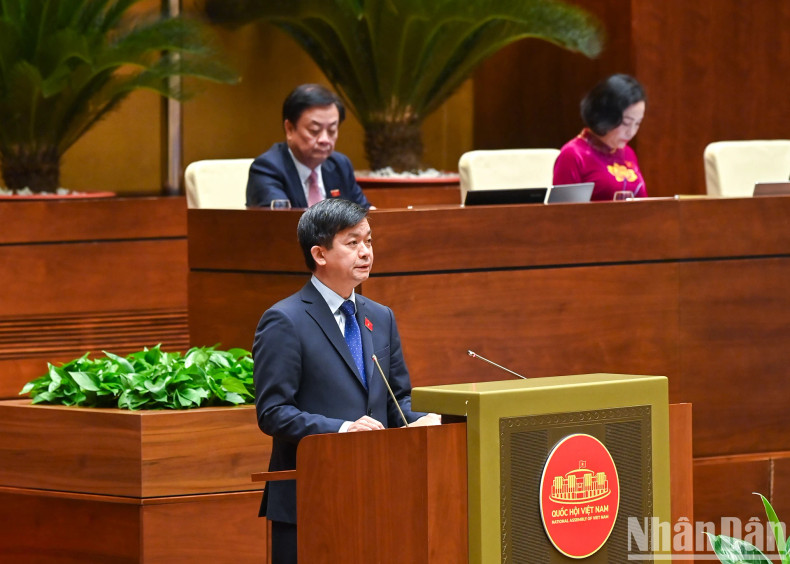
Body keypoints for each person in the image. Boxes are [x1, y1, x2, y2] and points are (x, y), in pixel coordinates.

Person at [252, 198, 438, 563]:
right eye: (352, 243)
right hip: (313, 495)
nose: (366, 252)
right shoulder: (284, 320)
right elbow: (273, 412)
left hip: (379, 492)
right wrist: (341, 429)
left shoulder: (380, 317)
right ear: (319, 254)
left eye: (368, 241)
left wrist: (426, 421)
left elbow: (397, 401)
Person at [246, 84, 371, 209]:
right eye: (314, 130)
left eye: (332, 130)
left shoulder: (340, 165)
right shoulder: (267, 169)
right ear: (289, 129)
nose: (324, 139)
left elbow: (366, 214)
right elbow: (280, 223)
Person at [553, 74, 647, 201]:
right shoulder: (573, 155)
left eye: (637, 123)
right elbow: (563, 213)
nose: (631, 132)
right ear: (605, 116)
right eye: (626, 123)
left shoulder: (628, 154)